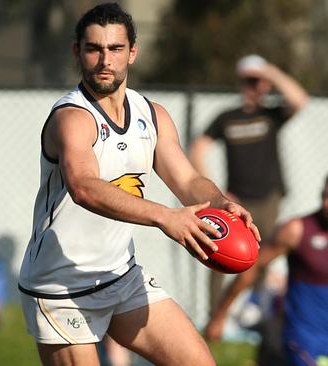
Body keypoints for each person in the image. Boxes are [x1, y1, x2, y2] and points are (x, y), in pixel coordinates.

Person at [17, 3, 260, 365]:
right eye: (93, 49)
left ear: (132, 52)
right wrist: (165, 217)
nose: (104, 60)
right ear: (77, 52)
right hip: (61, 287)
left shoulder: (152, 114)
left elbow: (188, 179)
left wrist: (219, 203)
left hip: (120, 275)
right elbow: (83, 186)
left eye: (115, 49)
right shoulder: (72, 117)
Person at [189, 54, 309, 310]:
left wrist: (271, 72)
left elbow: (300, 100)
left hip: (268, 197)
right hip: (237, 199)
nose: (258, 87)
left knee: (261, 255)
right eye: (252, 81)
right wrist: (218, 192)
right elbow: (198, 149)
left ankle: (253, 310)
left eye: (262, 82)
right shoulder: (228, 117)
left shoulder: (271, 114)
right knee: (218, 249)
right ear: (242, 83)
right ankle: (215, 313)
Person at [206, 175, 328, 365]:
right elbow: (252, 267)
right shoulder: (296, 230)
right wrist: (220, 315)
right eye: (325, 195)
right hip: (305, 340)